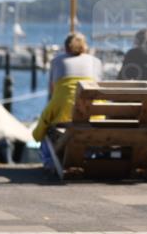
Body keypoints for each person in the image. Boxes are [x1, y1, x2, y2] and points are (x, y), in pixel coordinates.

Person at [32, 32, 103, 166]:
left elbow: (53, 92)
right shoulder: (96, 62)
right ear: (85, 47)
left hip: (65, 123)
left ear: (65, 48)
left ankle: (51, 163)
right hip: (93, 123)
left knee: (47, 127)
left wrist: (37, 134)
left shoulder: (57, 62)